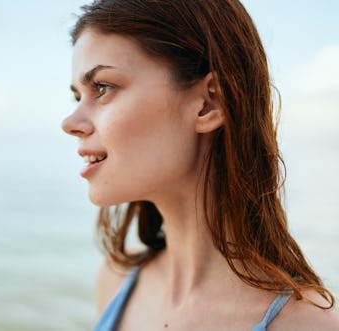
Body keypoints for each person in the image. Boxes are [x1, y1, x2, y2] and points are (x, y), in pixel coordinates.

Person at [61, 0, 339, 330]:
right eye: (78, 96)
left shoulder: (307, 325)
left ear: (208, 104)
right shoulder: (115, 281)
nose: (70, 122)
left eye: (103, 88)